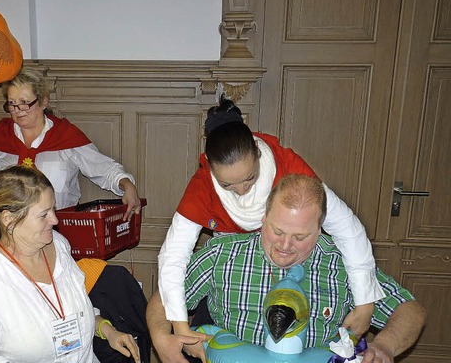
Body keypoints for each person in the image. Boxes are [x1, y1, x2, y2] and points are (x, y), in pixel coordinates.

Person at [148, 174, 427, 363]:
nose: (285, 245)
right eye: (277, 230)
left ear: (320, 230)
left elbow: (410, 310)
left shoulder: (346, 265)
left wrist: (385, 346)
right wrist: (161, 337)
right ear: (263, 217)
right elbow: (165, 296)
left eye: (300, 237)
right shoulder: (224, 253)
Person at [160, 98, 384, 341]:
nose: (241, 190)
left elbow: (348, 229)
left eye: (249, 178)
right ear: (210, 169)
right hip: (232, 277)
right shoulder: (202, 187)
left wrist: (364, 302)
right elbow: (173, 257)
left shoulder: (289, 170)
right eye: (227, 185)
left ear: (258, 153)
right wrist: (180, 325)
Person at [0, 166, 141, 363]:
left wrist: (106, 330)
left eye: (53, 209)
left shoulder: (58, 244)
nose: (55, 219)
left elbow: (71, 307)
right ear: (9, 220)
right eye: (44, 214)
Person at [0, 67, 142, 220]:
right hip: (10, 230)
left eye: (24, 102)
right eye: (12, 103)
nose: (17, 110)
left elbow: (102, 167)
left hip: (56, 228)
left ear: (43, 102)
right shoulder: (1, 137)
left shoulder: (65, 135)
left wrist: (126, 184)